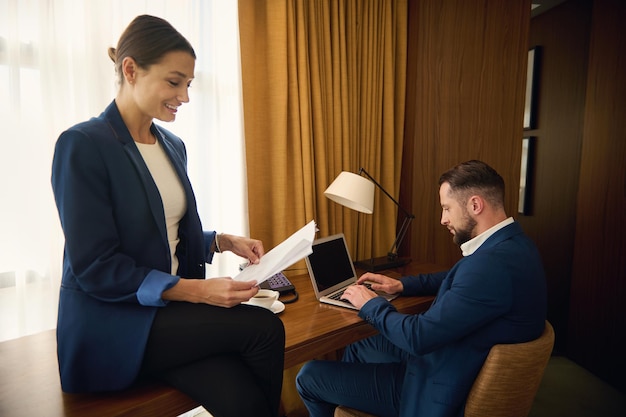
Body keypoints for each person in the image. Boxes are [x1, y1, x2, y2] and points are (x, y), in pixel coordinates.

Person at [51, 15, 284, 417]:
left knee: (242, 400)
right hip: (116, 323)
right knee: (263, 328)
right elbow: (95, 267)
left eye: (189, 84)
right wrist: (199, 291)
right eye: (174, 82)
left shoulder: (172, 145)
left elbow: (162, 230)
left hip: (168, 319)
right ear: (130, 70)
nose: (185, 96)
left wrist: (221, 241)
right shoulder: (83, 145)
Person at [296, 160, 547, 417]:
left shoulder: (489, 266)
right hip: (453, 358)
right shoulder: (516, 246)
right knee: (359, 344)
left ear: (475, 205)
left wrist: (370, 304)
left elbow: (418, 338)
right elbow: (456, 277)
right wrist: (402, 284)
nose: (443, 219)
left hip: (436, 386)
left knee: (309, 376)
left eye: (447, 208)